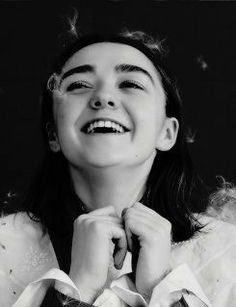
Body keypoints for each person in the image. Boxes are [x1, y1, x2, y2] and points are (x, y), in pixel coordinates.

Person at [0, 28, 236, 307]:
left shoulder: (227, 253)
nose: (103, 98)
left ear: (167, 132)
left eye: (131, 84)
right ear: (54, 135)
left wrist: (162, 289)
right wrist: (78, 290)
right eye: (79, 85)